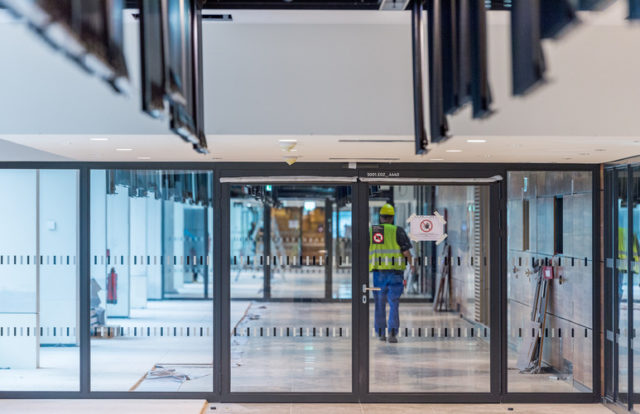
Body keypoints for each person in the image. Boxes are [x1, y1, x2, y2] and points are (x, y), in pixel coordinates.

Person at [369, 203, 414, 343]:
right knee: (394, 303)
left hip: (378, 273)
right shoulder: (398, 231)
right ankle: (392, 333)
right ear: (392, 218)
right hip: (395, 273)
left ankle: (381, 333)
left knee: (379, 303)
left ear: (381, 217)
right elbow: (406, 252)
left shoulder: (374, 231)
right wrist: (412, 264)